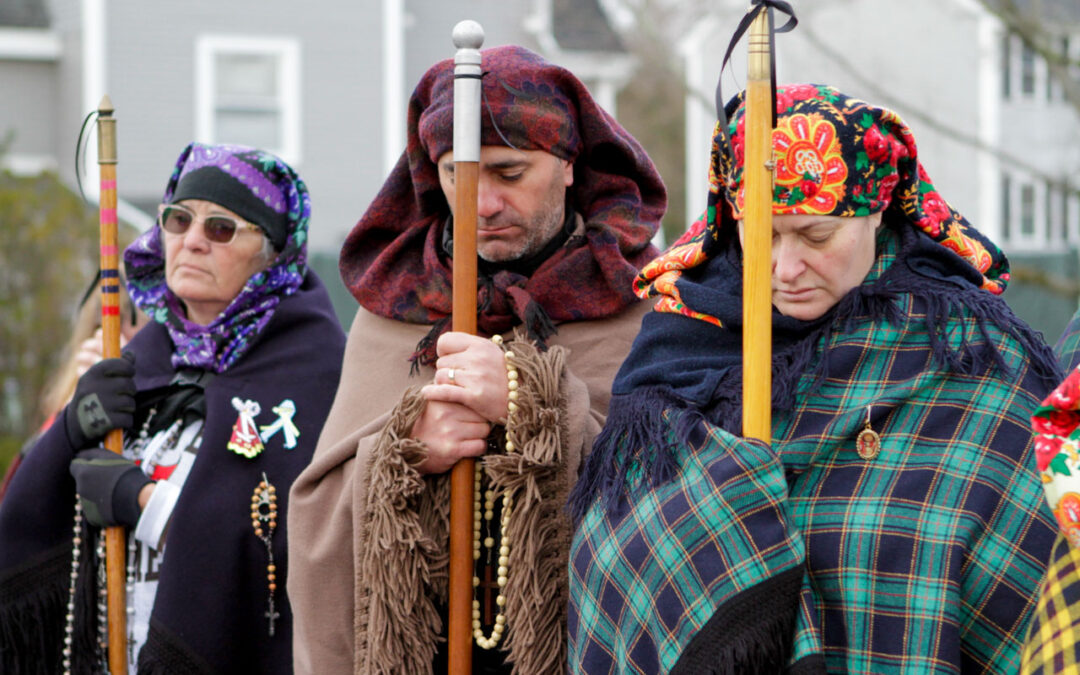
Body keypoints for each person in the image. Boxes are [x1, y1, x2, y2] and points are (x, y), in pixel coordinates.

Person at [567, 84, 1061, 673]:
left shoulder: (970, 355)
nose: (786, 268)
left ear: (877, 211)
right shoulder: (675, 356)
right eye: (765, 235)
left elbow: (1039, 577)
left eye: (816, 235)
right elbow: (616, 558)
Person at [286, 45, 666, 674]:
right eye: (458, 175)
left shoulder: (642, 301)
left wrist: (530, 403)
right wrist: (404, 452)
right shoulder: (395, 309)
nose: (482, 202)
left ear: (569, 165)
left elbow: (674, 502)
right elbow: (317, 522)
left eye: (510, 173)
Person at [0, 142, 346, 673]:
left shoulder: (314, 369)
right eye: (178, 220)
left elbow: (299, 549)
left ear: (272, 253)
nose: (192, 242)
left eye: (221, 228)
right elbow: (29, 515)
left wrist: (143, 502)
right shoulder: (143, 357)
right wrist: (71, 428)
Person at [0, 274, 147, 504]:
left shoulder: (159, 396)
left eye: (123, 323)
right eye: (99, 326)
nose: (104, 337)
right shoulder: (63, 409)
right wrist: (71, 420)